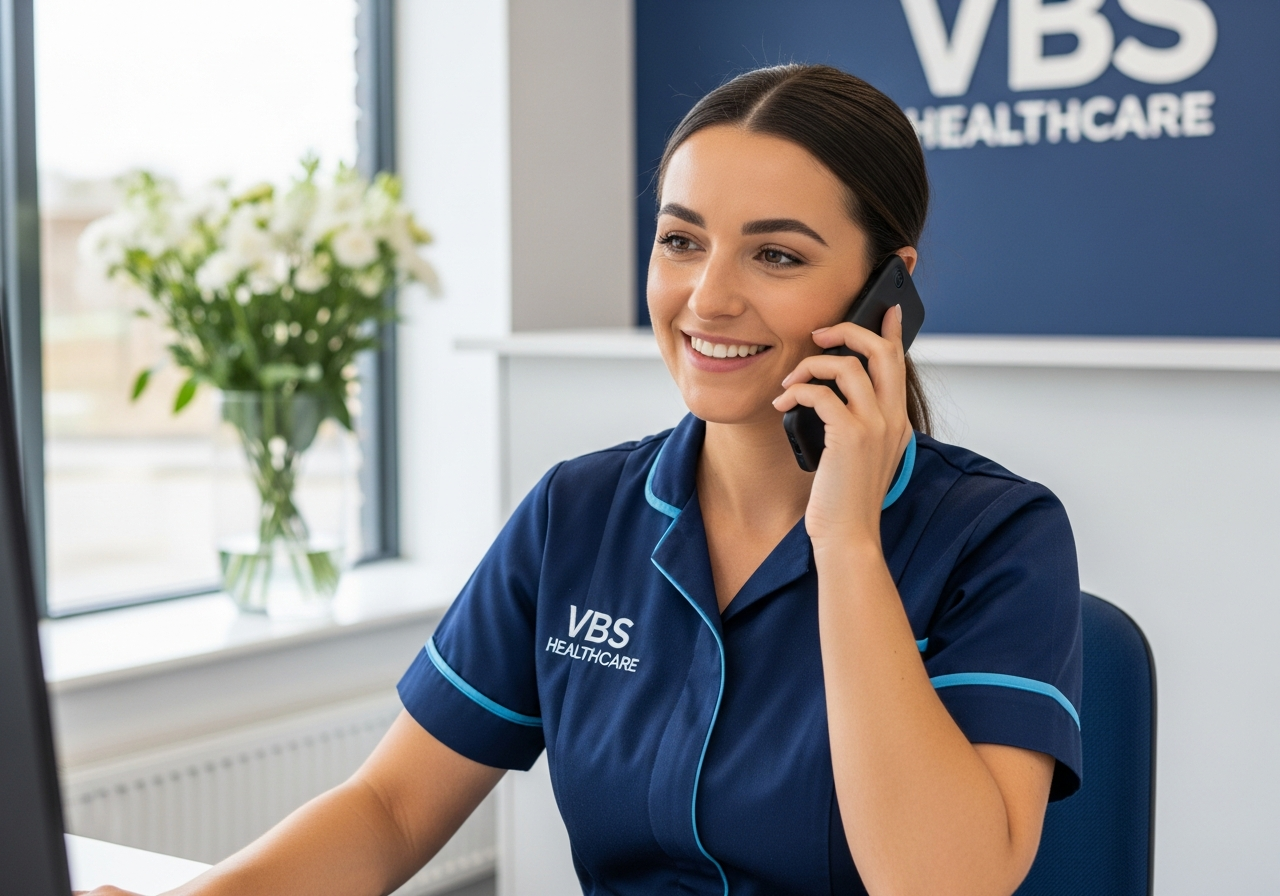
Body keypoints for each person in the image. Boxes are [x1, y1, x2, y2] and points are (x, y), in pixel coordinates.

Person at [84, 64, 1081, 896]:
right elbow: (390, 808)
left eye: (775, 254)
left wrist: (848, 543)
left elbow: (942, 884)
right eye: (681, 240)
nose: (708, 297)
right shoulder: (579, 511)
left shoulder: (996, 536)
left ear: (886, 290)